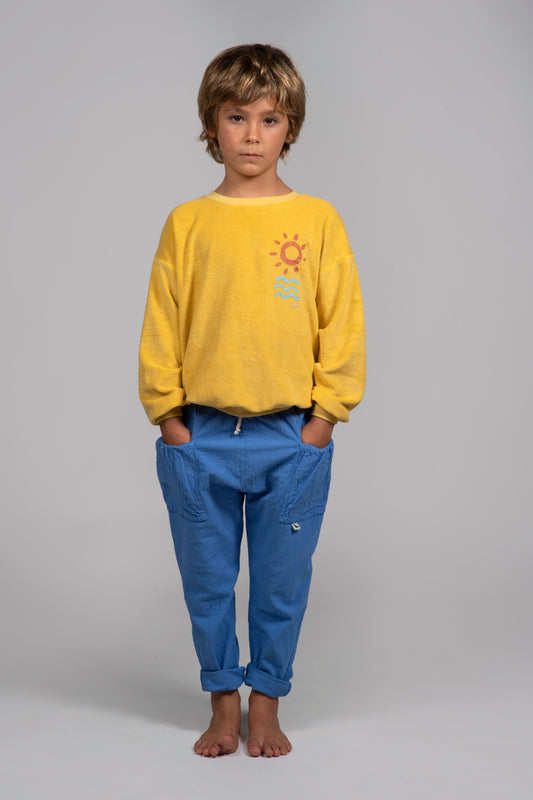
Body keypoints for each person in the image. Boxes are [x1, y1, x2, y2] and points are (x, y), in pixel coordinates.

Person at [139, 43, 365, 758]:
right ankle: (221, 703)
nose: (251, 135)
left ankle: (265, 703)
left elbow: (342, 324)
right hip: (201, 437)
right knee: (207, 582)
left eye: (268, 119)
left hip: (289, 438)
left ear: (289, 127)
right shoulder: (187, 222)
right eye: (236, 117)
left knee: (279, 583)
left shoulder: (317, 220)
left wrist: (322, 421)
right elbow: (163, 323)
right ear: (212, 123)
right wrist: (170, 419)